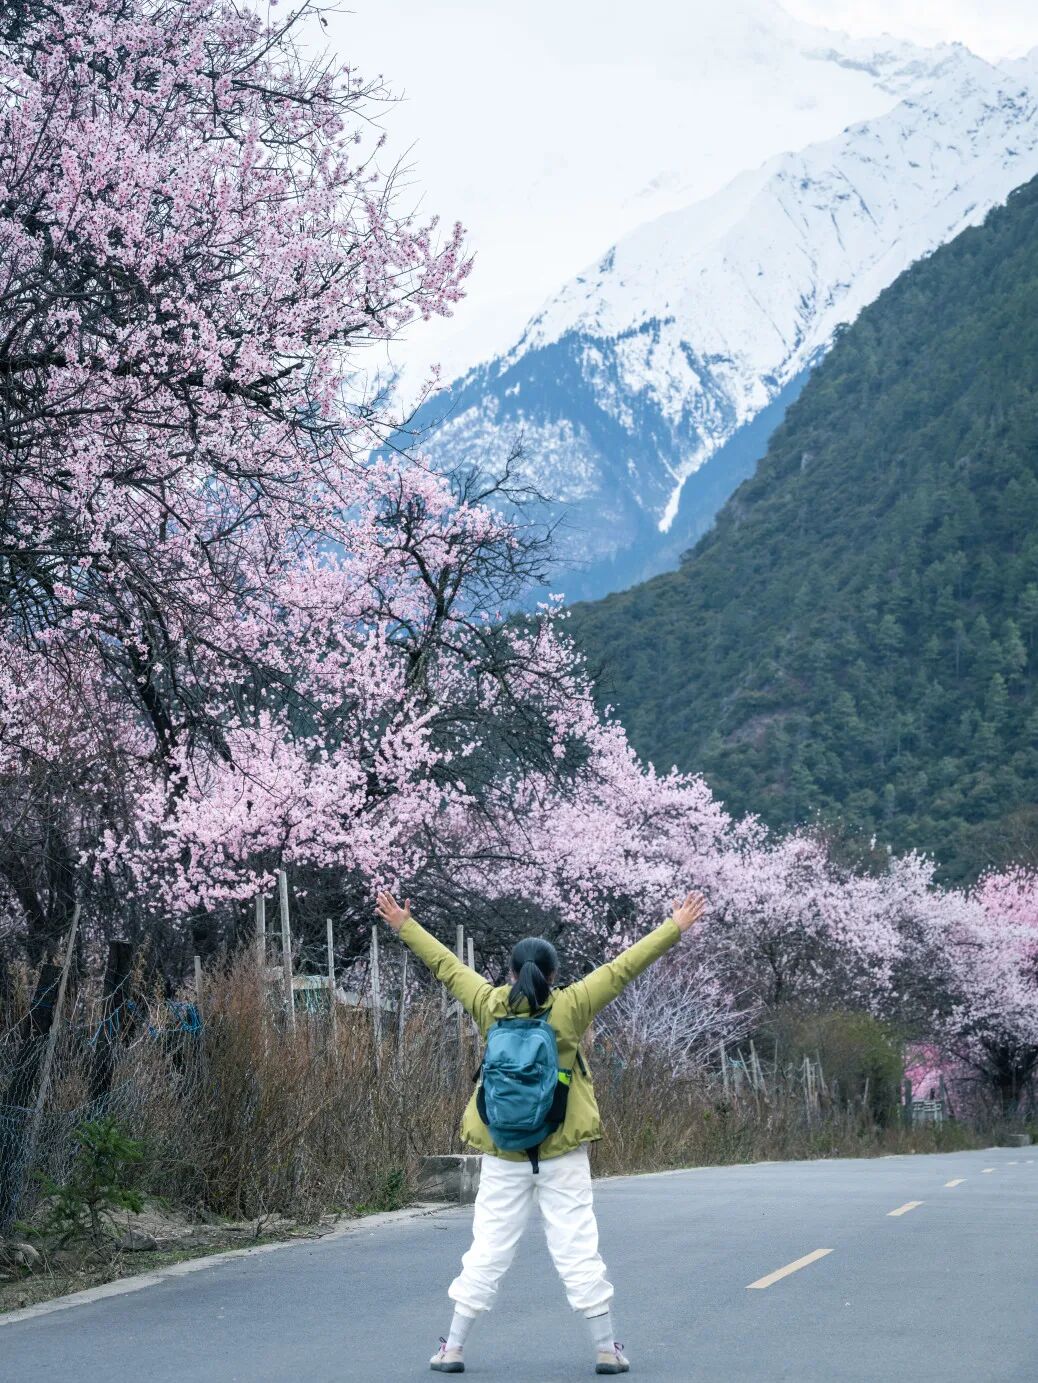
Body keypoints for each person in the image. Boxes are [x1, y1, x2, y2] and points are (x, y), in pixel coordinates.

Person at [374, 888, 707, 1376]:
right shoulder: (571, 1006)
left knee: (487, 1248)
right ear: (553, 976)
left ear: (511, 973)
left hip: (503, 1151)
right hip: (561, 1152)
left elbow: (445, 966)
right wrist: (674, 926)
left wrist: (405, 924)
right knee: (576, 1245)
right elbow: (623, 967)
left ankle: (453, 1348)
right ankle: (604, 1348)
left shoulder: (489, 1004)